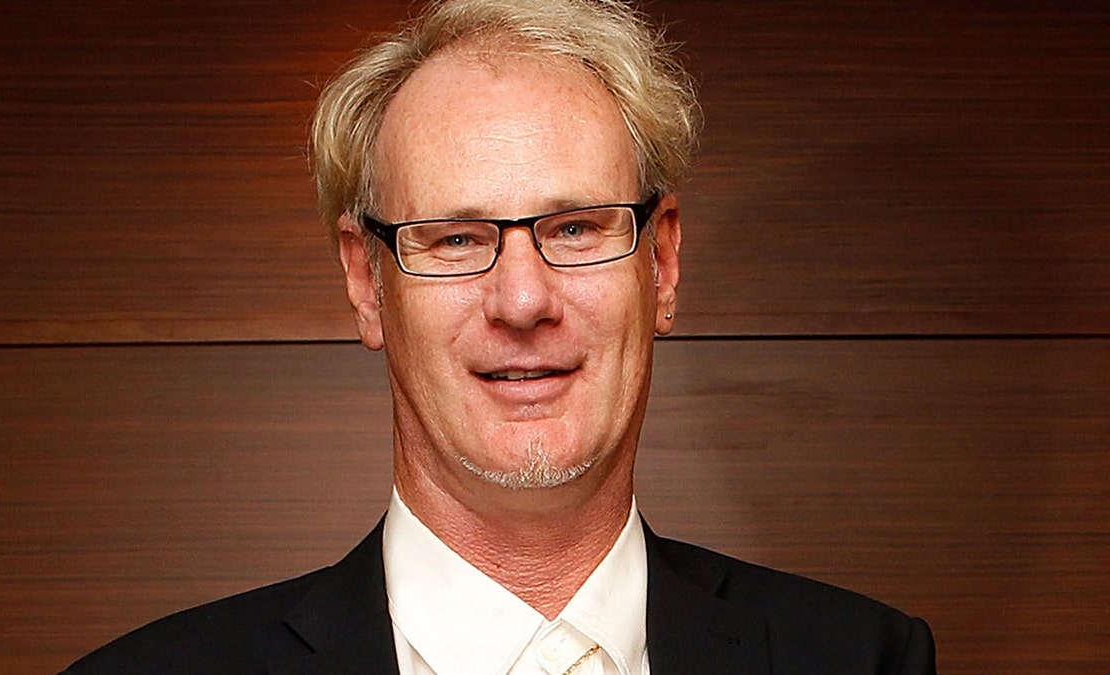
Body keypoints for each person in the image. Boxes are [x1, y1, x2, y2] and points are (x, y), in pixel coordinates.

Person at [64, 0, 936, 672]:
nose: (522, 299)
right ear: (366, 281)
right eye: (454, 238)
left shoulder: (865, 658)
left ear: (661, 262)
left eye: (575, 229)